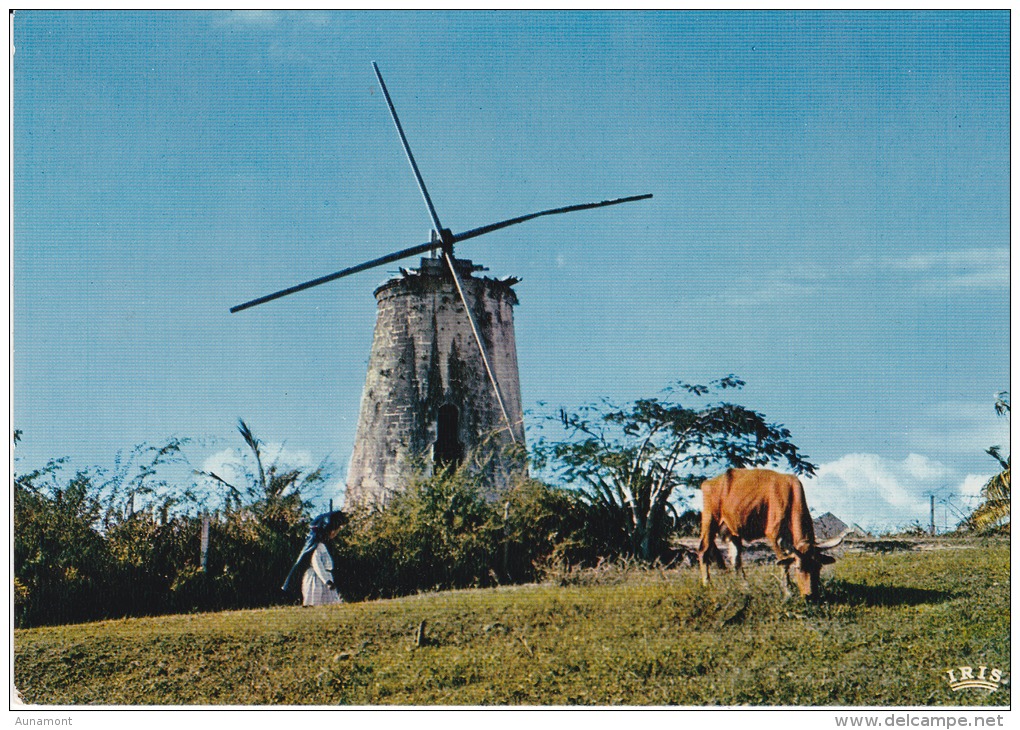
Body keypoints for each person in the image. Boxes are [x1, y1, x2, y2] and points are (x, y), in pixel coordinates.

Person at [282, 510, 347, 606]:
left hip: (325, 578)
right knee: (313, 603)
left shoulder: (323, 546)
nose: (335, 533)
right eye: (334, 530)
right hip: (315, 579)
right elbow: (317, 565)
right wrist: (327, 581)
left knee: (332, 604)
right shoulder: (317, 547)